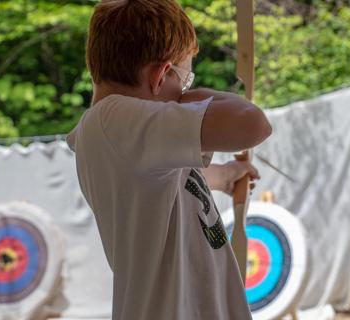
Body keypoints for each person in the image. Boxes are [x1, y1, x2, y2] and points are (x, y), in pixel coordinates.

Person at [65, 0, 272, 319]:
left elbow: (178, 185)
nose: (183, 93)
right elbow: (253, 124)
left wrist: (226, 175)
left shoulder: (121, 136)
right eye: (184, 79)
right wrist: (188, 99)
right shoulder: (114, 121)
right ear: (161, 75)